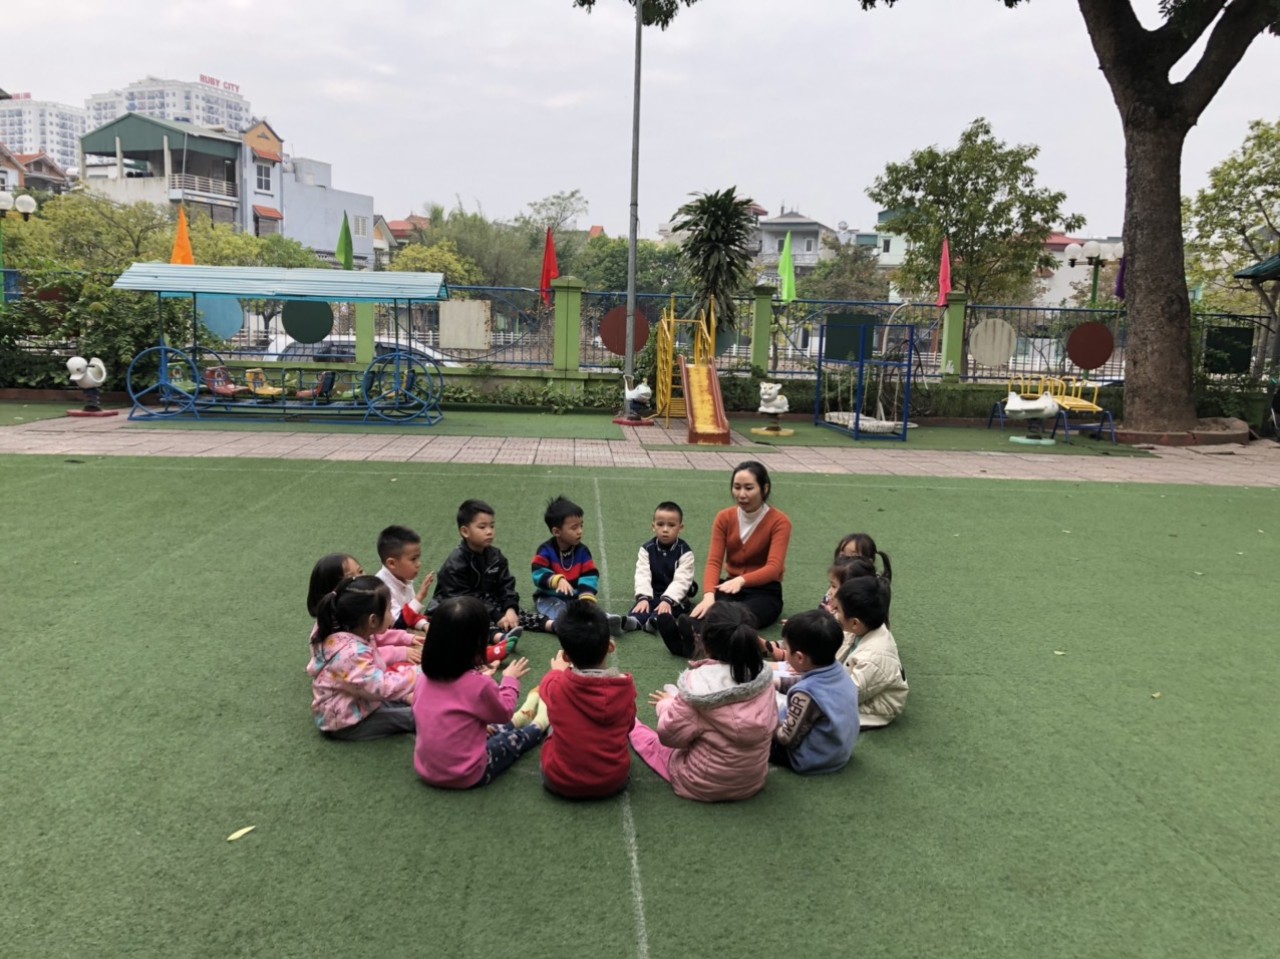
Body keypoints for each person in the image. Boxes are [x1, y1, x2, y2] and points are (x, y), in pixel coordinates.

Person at [629, 603, 777, 802]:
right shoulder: (764, 678)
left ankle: (631, 725)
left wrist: (665, 705)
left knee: (648, 740)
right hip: (753, 780)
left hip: (702, 783)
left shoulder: (697, 687)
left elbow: (670, 736)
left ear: (706, 645)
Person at [412, 596, 546, 789]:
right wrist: (510, 680)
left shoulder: (423, 677)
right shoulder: (479, 685)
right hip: (468, 773)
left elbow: (447, 716)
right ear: (477, 642)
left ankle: (522, 716)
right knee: (510, 740)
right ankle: (540, 723)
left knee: (489, 728)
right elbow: (504, 712)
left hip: (426, 769)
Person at [538, 600, 637, 799]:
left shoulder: (556, 685)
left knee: (553, 723)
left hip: (559, 781)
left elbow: (546, 687)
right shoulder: (626, 689)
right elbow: (629, 726)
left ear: (566, 657)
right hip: (614, 781)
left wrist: (556, 671)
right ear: (610, 647)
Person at [306, 574, 416, 740]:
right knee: (416, 716)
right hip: (346, 722)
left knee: (403, 697)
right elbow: (381, 688)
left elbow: (378, 636)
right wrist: (417, 674)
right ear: (372, 620)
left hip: (359, 697)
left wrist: (406, 638)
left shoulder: (344, 626)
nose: (392, 615)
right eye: (388, 609)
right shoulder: (351, 654)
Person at [690, 461, 792, 630]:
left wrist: (742, 580)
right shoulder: (724, 517)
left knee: (737, 617)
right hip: (730, 588)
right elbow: (714, 562)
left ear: (764, 488)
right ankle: (688, 634)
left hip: (765, 592)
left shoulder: (780, 522)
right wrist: (708, 595)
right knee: (704, 611)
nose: (741, 494)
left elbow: (774, 567)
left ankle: (701, 636)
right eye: (737, 487)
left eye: (749, 488)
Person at [770, 610, 860, 774]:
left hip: (811, 758)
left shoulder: (806, 695)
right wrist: (776, 683)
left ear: (799, 658)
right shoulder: (838, 670)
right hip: (838, 750)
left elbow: (785, 738)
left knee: (751, 728)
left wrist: (767, 721)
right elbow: (810, 683)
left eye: (786, 648)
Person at [308, 552, 420, 668]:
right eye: (351, 578)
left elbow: (375, 635)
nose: (361, 579)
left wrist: (404, 638)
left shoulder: (355, 614)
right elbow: (365, 656)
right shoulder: (340, 630)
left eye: (360, 571)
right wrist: (398, 652)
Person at [531, 495, 621, 636]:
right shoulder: (545, 550)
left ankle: (604, 619)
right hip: (548, 598)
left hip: (574, 598)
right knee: (561, 611)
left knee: (587, 608)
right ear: (556, 531)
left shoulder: (583, 551)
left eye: (581, 525)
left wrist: (585, 597)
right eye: (574, 527)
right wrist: (557, 580)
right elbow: (538, 573)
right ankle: (583, 624)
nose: (580, 531)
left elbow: (589, 575)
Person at [431, 499, 522, 633]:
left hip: (489, 605)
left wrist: (510, 609)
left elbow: (506, 585)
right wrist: (496, 615)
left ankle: (550, 624)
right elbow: (461, 598)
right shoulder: (455, 563)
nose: (489, 531)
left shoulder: (496, 556)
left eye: (492, 526)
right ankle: (499, 637)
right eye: (482, 527)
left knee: (519, 615)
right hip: (457, 609)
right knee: (469, 621)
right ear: (465, 532)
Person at [831, 577, 908, 729]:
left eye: (838, 610)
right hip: (854, 686)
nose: (834, 611)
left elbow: (846, 696)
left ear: (855, 623)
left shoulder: (874, 658)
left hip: (872, 709)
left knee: (810, 714)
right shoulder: (861, 626)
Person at [628, 501, 698, 656]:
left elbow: (682, 580)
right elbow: (642, 574)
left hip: (676, 598)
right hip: (653, 593)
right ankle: (632, 621)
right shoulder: (646, 549)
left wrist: (668, 600)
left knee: (667, 610)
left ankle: (654, 622)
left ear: (680, 528)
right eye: (660, 524)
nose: (665, 529)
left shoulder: (685, 552)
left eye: (671, 525)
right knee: (642, 607)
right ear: (653, 526)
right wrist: (643, 597)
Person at [374, 525, 433, 631]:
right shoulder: (382, 587)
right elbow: (398, 625)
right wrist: (419, 597)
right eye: (413, 559)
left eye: (418, 558)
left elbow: (412, 615)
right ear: (392, 563)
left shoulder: (403, 577)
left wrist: (425, 625)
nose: (419, 564)